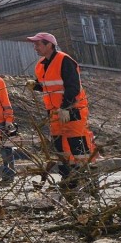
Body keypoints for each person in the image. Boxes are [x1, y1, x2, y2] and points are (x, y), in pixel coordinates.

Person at [25, 32, 95, 183]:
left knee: (78, 146)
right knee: (61, 148)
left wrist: (65, 107)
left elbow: (73, 87)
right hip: (54, 112)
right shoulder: (41, 65)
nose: (35, 47)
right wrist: (35, 85)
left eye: (37, 44)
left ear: (49, 45)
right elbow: (48, 86)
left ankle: (88, 182)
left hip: (72, 109)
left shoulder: (64, 60)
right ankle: (69, 181)